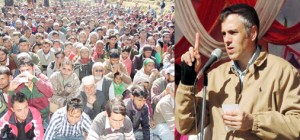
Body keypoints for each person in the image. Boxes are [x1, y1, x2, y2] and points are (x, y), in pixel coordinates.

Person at [176, 4, 300, 140]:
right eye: (224, 34)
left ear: (252, 33)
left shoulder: (282, 71)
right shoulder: (215, 76)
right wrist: (187, 79)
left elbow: (297, 125)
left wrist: (254, 122)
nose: (226, 40)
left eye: (233, 32)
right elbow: (187, 126)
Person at [8, 52, 53, 123]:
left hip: (44, 117)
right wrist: (11, 90)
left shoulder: (41, 78)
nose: (25, 73)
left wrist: (33, 79)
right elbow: (12, 106)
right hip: (28, 119)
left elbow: (50, 93)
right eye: (22, 70)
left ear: (33, 68)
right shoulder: (18, 82)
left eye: (28, 69)